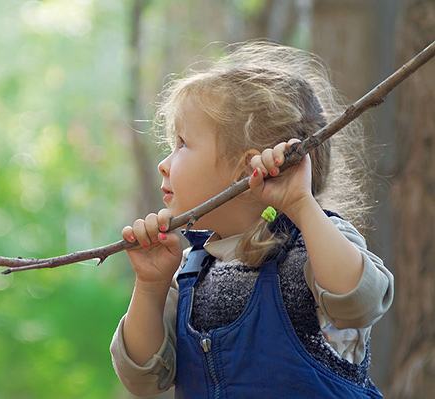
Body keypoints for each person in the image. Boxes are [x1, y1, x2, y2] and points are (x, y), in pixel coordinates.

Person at [110, 40, 394, 398]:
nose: (163, 163)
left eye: (181, 143)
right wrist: (150, 286)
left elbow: (360, 303)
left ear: (244, 168)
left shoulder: (316, 244)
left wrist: (302, 206)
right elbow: (143, 378)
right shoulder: (188, 272)